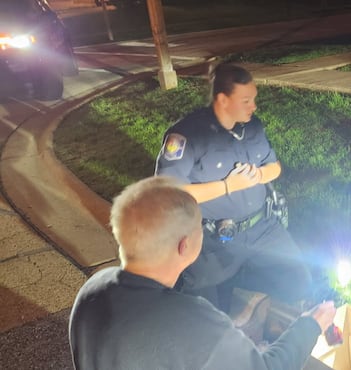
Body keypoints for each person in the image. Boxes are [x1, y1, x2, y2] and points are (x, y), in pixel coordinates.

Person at [68, 176, 336, 370]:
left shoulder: (91, 290)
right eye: (201, 227)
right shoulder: (191, 319)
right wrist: (310, 324)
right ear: (185, 245)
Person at [155, 63, 312, 324]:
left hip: (263, 228)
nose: (254, 106)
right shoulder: (187, 135)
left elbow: (275, 167)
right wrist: (228, 186)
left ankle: (247, 293)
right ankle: (225, 299)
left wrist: (260, 175)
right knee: (207, 317)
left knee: (299, 280)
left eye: (254, 99)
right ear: (223, 100)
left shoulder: (252, 128)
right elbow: (167, 194)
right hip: (213, 240)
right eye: (246, 100)